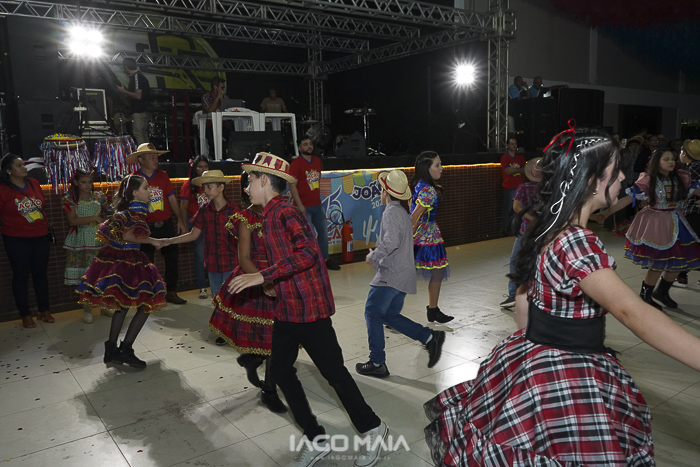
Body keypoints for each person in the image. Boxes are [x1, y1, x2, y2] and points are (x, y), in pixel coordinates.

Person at [424, 126, 700, 466]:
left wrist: (531, 357)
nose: (623, 176)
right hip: (567, 371)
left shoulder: (548, 227)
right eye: (616, 169)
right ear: (593, 180)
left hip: (532, 354)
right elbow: (632, 312)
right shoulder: (578, 242)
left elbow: (524, 302)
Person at [229, 152, 389, 467]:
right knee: (280, 371)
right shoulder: (267, 215)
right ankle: (315, 437)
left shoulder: (286, 212)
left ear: (264, 180)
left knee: (334, 374)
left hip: (309, 309)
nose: (246, 188)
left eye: (250, 180)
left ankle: (374, 428)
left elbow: (308, 253)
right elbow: (287, 259)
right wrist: (271, 282)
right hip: (286, 308)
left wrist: (263, 275)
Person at [208, 171, 286, 413]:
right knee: (272, 339)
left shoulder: (280, 212)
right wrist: (265, 282)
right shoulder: (245, 218)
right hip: (256, 279)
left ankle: (253, 360)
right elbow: (243, 258)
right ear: (248, 189)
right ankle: (269, 390)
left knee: (277, 338)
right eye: (251, 183)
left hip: (279, 275)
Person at [356, 169, 446, 379]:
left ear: (386, 193)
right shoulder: (403, 213)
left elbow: (391, 242)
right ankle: (429, 337)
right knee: (388, 315)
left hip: (391, 275)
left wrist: (374, 256)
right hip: (404, 275)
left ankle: (377, 362)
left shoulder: (390, 212)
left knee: (372, 312)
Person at [76, 175, 167, 368]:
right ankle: (125, 349)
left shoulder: (124, 211)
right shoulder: (135, 211)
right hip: (128, 260)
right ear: (135, 193)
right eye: (146, 188)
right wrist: (152, 240)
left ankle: (111, 349)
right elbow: (128, 236)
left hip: (117, 258)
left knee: (123, 304)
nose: (149, 191)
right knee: (146, 303)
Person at [598, 149, 700, 309]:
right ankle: (645, 295)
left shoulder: (681, 178)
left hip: (677, 221)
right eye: (666, 159)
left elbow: (696, 190)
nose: (671, 162)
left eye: (672, 159)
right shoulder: (648, 180)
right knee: (658, 263)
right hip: (656, 223)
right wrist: (606, 213)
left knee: (679, 261)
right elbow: (628, 198)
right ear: (656, 162)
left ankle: (662, 292)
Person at [128, 143, 188, 304]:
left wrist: (179, 220)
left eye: (156, 157)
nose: (155, 160)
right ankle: (149, 294)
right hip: (145, 226)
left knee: (172, 259)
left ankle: (171, 291)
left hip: (166, 224)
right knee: (146, 262)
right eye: (151, 157)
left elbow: (171, 198)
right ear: (141, 160)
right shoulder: (134, 179)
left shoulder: (163, 175)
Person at [166, 170, 238, 301]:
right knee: (217, 300)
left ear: (221, 187)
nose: (206, 190)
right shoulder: (204, 209)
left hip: (231, 263)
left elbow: (242, 238)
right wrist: (169, 240)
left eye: (209, 186)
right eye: (204, 187)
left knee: (231, 301)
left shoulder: (234, 210)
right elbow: (193, 234)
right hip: (213, 264)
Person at [0, 154, 53, 328]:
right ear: (8, 171)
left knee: (40, 273)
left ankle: (44, 309)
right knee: (21, 275)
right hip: (16, 238)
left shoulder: (33, 183)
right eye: (19, 165)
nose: (24, 168)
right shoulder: (3, 190)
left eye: (23, 164)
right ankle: (25, 313)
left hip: (40, 235)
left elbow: (42, 205)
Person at [62, 169, 111, 324]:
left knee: (103, 273)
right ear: (76, 182)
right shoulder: (70, 199)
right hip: (81, 240)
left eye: (90, 182)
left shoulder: (99, 196)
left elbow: (110, 211)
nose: (87, 185)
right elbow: (72, 221)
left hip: (99, 238)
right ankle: (87, 308)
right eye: (83, 182)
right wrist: (95, 218)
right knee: (86, 275)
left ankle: (104, 304)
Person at [410, 151, 453, 324]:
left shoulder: (419, 184)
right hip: (425, 237)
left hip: (428, 235)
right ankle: (390, 312)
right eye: (437, 165)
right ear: (426, 168)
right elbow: (414, 217)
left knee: (438, 272)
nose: (441, 168)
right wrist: (404, 235)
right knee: (433, 272)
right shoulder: (428, 190)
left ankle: (433, 310)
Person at [289, 137, 341, 270]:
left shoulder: (317, 161)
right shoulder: (295, 164)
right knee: (309, 236)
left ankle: (325, 259)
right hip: (303, 206)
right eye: (305, 144)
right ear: (299, 148)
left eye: (310, 144)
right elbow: (292, 185)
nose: (309, 146)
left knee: (323, 233)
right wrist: (299, 205)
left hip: (317, 205)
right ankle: (310, 262)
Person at [500, 157, 542, 309]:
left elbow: (516, 207)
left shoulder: (523, 188)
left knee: (515, 260)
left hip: (526, 230)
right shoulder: (549, 189)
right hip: (544, 230)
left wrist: (531, 219)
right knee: (538, 261)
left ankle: (513, 294)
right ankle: (538, 294)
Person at [179, 156, 210, 299]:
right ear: (194, 168)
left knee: (213, 254)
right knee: (200, 256)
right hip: (195, 223)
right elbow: (183, 207)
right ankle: (202, 287)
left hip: (211, 222)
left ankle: (214, 284)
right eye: (200, 166)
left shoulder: (211, 183)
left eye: (205, 166)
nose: (203, 169)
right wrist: (185, 227)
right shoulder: (189, 185)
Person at [675, 139, 700, 288]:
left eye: (681, 151)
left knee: (687, 243)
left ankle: (681, 276)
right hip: (693, 210)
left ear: (685, 153)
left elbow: (690, 189)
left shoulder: (694, 168)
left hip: (694, 210)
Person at [116, 57, 150, 145]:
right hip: (142, 110)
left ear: (126, 67)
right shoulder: (139, 76)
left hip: (139, 110)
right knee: (143, 133)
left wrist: (124, 91)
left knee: (138, 133)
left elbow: (138, 96)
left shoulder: (137, 77)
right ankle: (147, 151)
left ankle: (142, 152)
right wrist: (126, 93)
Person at [500, 137, 526, 235]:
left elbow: (525, 170)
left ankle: (515, 228)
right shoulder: (504, 157)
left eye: (515, 144)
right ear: (507, 145)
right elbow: (507, 171)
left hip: (520, 186)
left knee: (518, 208)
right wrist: (518, 170)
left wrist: (514, 170)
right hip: (509, 186)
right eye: (512, 144)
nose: (514, 146)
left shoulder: (520, 157)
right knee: (508, 208)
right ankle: (505, 229)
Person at [201, 77, 231, 156]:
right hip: (210, 126)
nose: (223, 89)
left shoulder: (225, 97)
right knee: (213, 142)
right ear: (215, 87)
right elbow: (210, 110)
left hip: (223, 125)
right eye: (222, 87)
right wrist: (217, 98)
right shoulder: (206, 97)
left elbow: (228, 110)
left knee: (233, 137)